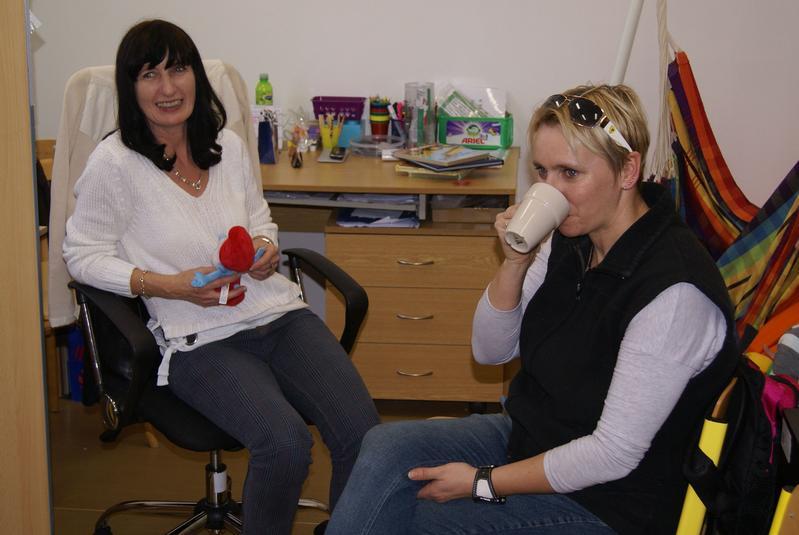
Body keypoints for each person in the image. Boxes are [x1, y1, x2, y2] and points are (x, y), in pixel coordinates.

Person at [325, 84, 739, 534]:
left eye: (570, 173)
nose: (550, 190)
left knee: (423, 521)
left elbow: (613, 453)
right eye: (542, 171)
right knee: (385, 447)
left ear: (628, 170)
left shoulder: (673, 292)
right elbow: (490, 351)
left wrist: (482, 483)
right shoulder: (572, 237)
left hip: (616, 504)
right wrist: (515, 261)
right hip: (535, 440)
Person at [63, 19, 379, 534]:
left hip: (277, 313)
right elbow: (81, 255)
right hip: (198, 340)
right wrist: (167, 284)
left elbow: (259, 221)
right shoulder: (114, 163)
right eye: (149, 75)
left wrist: (265, 249)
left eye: (178, 69)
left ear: (196, 76)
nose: (168, 88)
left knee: (363, 434)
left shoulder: (227, 146)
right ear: (130, 88)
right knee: (285, 444)